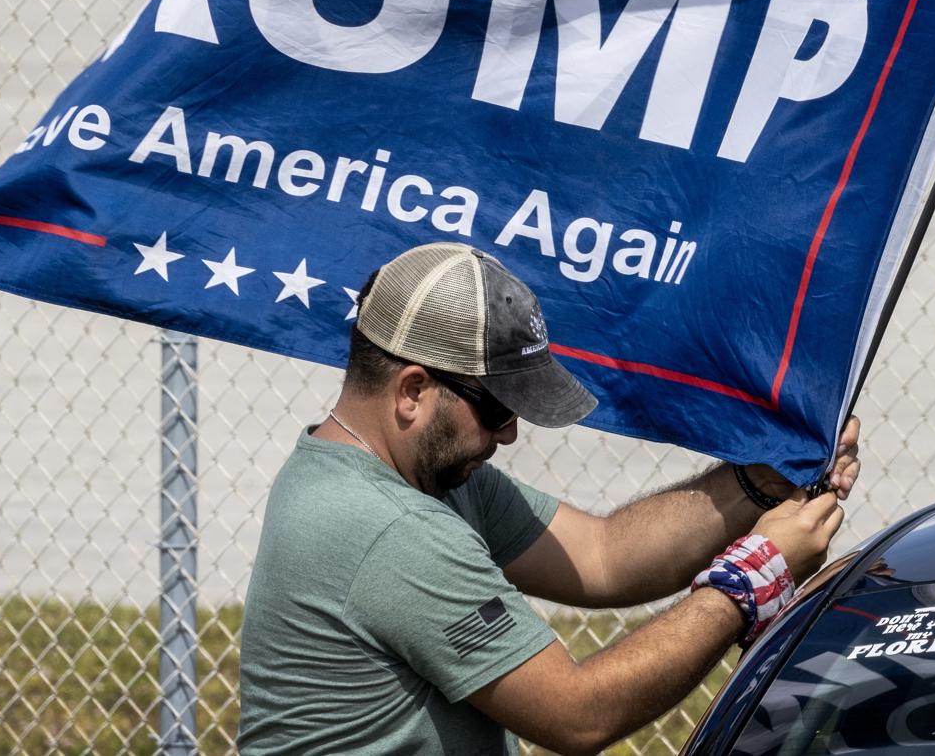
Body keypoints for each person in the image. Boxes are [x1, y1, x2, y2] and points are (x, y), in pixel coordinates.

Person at [237, 240, 861, 756]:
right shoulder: (391, 527)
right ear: (412, 391)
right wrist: (753, 578)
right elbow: (578, 716)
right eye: (497, 408)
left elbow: (603, 556)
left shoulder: (385, 472)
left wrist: (756, 481)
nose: (509, 433)